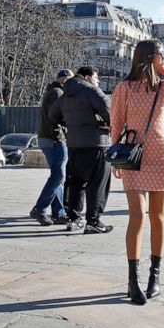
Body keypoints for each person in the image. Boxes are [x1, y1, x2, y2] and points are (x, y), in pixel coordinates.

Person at [109, 39, 164, 305]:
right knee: (137, 216)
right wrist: (116, 158)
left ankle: (154, 276)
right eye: (162, 55)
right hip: (133, 155)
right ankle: (132, 280)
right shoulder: (124, 88)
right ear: (148, 57)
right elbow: (116, 124)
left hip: (160, 154)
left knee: (158, 216)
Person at [50, 66, 113, 234]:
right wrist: (106, 125)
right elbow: (110, 112)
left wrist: (70, 125)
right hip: (97, 144)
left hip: (74, 144)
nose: (97, 80)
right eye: (96, 77)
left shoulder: (65, 94)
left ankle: (74, 219)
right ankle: (93, 221)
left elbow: (52, 114)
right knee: (98, 184)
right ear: (87, 76)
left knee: (76, 183)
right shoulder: (92, 91)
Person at [30, 69, 73, 226]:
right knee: (59, 176)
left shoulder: (53, 91)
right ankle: (40, 209)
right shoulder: (58, 93)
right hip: (55, 139)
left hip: (49, 138)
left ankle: (58, 212)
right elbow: (59, 117)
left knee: (58, 177)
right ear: (65, 80)